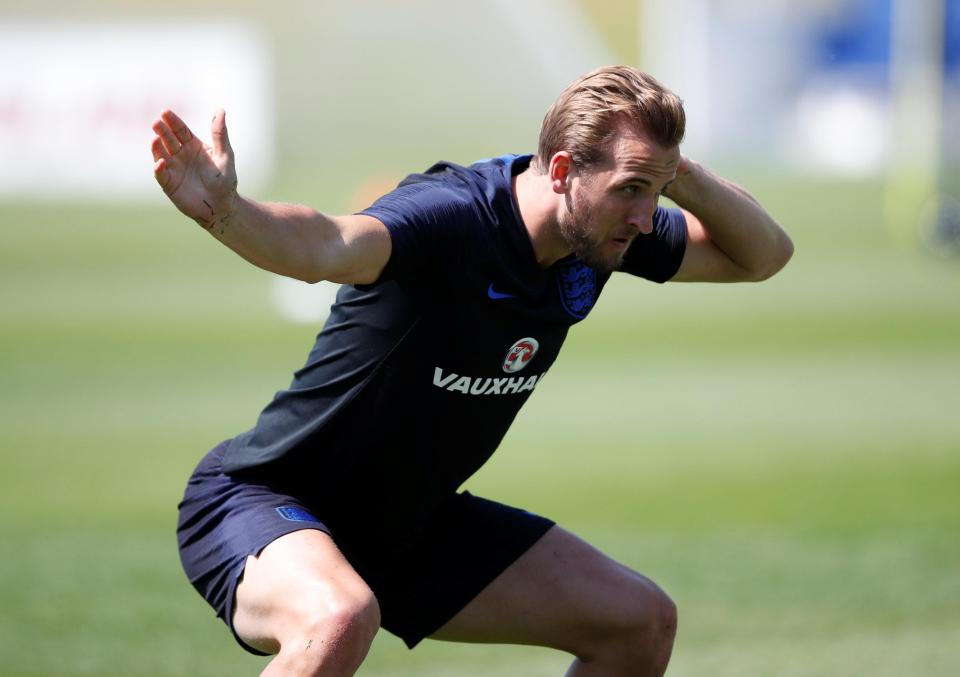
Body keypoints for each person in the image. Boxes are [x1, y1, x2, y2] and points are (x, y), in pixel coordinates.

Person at [152, 66, 792, 676]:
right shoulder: (454, 217)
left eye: (655, 191)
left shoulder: (605, 231)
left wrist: (672, 172)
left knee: (639, 623)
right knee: (340, 616)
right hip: (266, 500)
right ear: (564, 171)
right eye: (631, 187)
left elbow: (764, 255)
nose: (646, 215)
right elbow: (326, 244)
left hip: (408, 527)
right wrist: (226, 210)